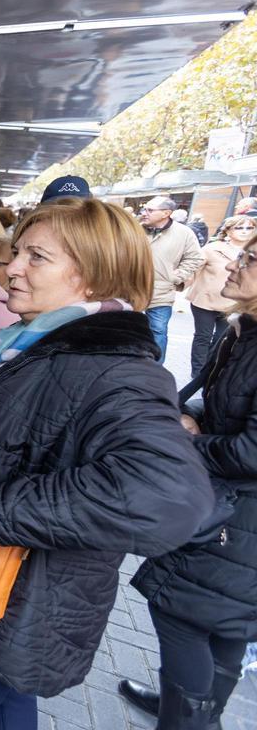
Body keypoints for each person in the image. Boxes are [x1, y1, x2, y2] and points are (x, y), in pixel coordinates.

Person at [0, 199, 215, 730]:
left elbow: (172, 494)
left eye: (36, 257)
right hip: (1, 613)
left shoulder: (114, 371)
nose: (11, 267)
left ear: (93, 278)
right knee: (5, 706)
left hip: (13, 608)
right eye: (17, 253)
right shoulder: (32, 346)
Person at [122, 231, 257, 730]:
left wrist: (188, 440)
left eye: (250, 259)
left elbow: (251, 450)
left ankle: (188, 717)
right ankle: (194, 709)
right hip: (232, 507)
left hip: (237, 513)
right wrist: (193, 413)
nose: (233, 265)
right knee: (225, 622)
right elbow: (225, 406)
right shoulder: (242, 332)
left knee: (182, 612)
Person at [139, 196, 206, 363]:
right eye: (144, 209)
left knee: (158, 332)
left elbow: (195, 258)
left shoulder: (184, 233)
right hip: (128, 289)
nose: (144, 213)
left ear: (166, 213)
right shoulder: (134, 228)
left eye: (150, 210)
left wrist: (176, 277)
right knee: (124, 329)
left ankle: (155, 370)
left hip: (161, 294)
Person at [186, 216, 254, 377]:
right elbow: (193, 268)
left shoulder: (253, 250)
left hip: (232, 304)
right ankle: (197, 374)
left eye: (249, 228)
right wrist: (179, 282)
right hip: (205, 300)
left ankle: (210, 372)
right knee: (203, 337)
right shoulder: (212, 248)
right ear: (228, 230)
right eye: (239, 227)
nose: (245, 231)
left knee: (220, 339)